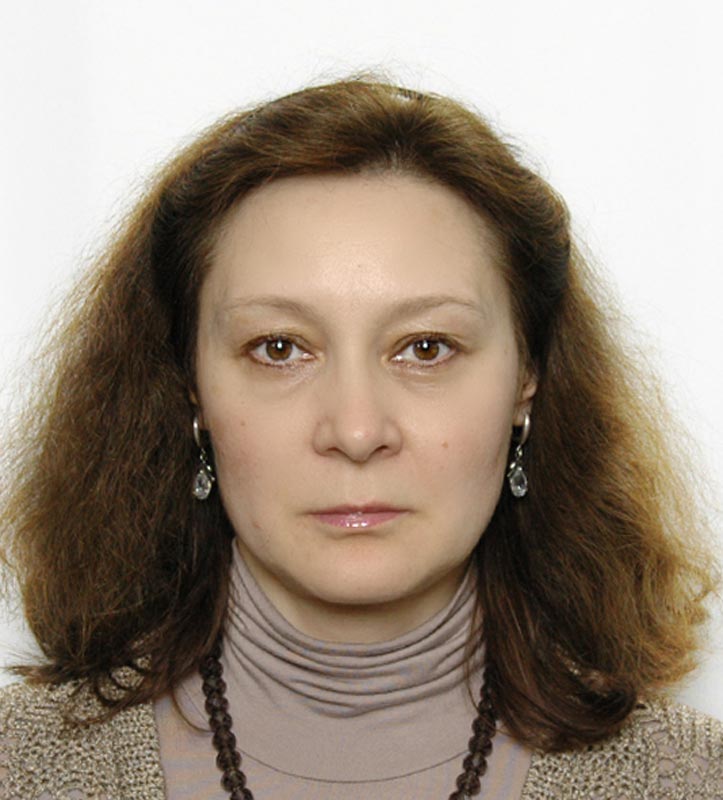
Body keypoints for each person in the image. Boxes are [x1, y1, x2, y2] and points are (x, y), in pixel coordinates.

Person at [0, 77, 721, 800]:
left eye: (426, 348)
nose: (355, 430)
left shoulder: (692, 779)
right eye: (279, 348)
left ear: (526, 378)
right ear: (191, 385)